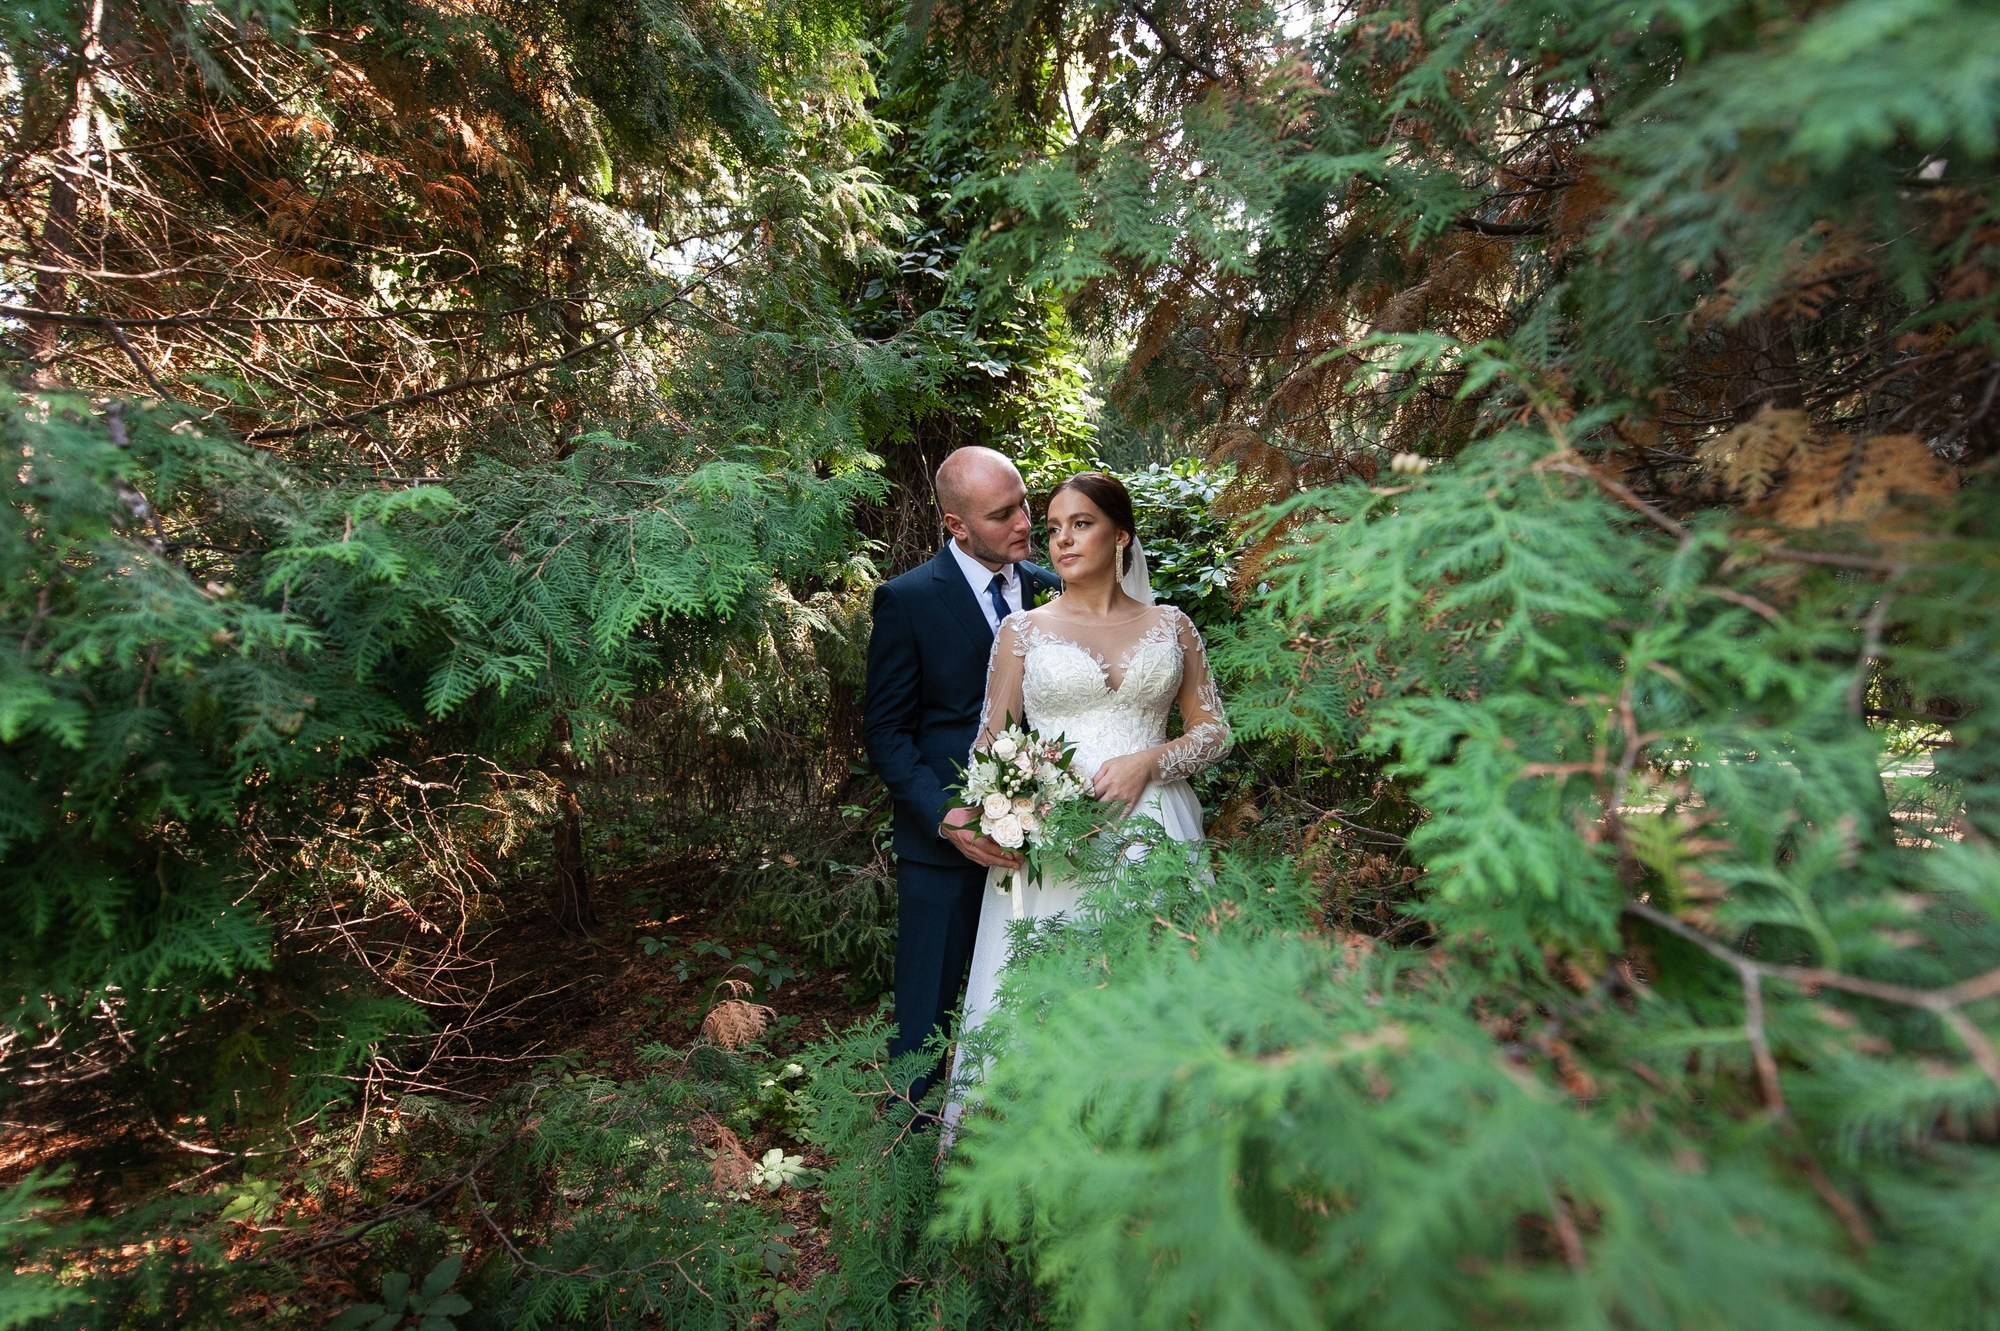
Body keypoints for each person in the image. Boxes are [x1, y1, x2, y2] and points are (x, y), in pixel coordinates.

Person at [955, 470, 1231, 1046]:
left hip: (1159, 827)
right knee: (1055, 999)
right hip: (1059, 840)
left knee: (1159, 982)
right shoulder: (1022, 632)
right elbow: (989, 744)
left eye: (1081, 524)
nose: (1063, 539)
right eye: (1054, 527)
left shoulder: (1173, 626)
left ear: (1121, 535)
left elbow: (1214, 732)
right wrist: (1017, 801)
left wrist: (1148, 762)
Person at [861, 447, 1062, 1108]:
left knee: (1037, 1003)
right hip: (945, 850)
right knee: (925, 1020)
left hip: (1048, 845)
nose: (1025, 522)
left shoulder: (1053, 590)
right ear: (957, 525)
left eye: (1025, 503)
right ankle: (907, 1156)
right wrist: (946, 817)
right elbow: (886, 731)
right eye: (1003, 514)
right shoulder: (909, 600)